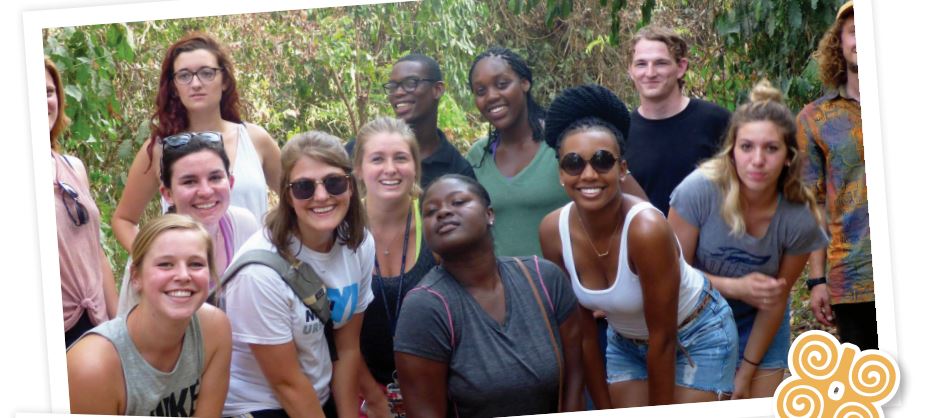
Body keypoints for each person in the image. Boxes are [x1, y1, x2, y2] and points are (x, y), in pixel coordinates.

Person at [540, 84, 737, 407]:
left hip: (696, 331)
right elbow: (584, 333)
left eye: (602, 161)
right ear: (561, 173)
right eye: (573, 163)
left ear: (622, 168)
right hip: (626, 342)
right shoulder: (552, 231)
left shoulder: (646, 229)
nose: (588, 174)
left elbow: (663, 338)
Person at [668, 81, 829, 399]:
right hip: (696, 318)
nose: (757, 160)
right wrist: (733, 287)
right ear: (732, 152)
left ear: (788, 157)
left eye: (771, 148)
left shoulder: (799, 216)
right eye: (747, 147)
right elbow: (669, 273)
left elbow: (776, 299)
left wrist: (747, 369)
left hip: (761, 322)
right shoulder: (697, 191)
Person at [395, 175, 583, 418]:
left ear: (490, 214)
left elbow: (575, 378)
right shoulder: (425, 307)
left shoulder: (544, 278)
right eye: (430, 211)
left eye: (458, 202)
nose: (442, 213)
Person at [220, 131, 373, 418]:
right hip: (260, 404)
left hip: (318, 392)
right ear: (288, 196)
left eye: (334, 183)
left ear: (350, 186)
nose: (321, 196)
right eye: (304, 187)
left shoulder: (359, 243)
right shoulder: (259, 273)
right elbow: (286, 383)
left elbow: (348, 348)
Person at [112, 32, 280, 251]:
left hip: (252, 278)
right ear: (174, 86)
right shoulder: (159, 150)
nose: (196, 83)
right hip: (191, 281)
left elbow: (297, 201)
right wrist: (159, 263)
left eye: (207, 73)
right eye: (184, 76)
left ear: (225, 81)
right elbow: (124, 220)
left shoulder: (255, 139)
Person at [67, 214, 233, 416]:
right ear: (136, 277)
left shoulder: (214, 330)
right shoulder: (93, 366)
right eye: (165, 264)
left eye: (196, 264)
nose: (183, 275)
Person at [797, 1, 876, 350]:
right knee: (871, 389)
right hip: (855, 278)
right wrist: (817, 280)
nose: (865, 38)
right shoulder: (815, 118)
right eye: (855, 30)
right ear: (840, 43)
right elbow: (811, 204)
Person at [116, 130, 260, 315]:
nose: (206, 191)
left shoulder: (244, 226)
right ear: (168, 194)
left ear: (230, 182)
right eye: (190, 182)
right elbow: (128, 332)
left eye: (215, 178)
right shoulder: (154, 249)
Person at [351, 117, 436, 417]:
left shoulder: (436, 222)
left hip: (436, 389)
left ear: (415, 166)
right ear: (359, 169)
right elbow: (335, 334)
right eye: (377, 159)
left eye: (400, 158)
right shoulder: (340, 230)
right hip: (360, 393)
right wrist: (374, 398)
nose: (390, 169)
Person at [464, 47, 572, 257]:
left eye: (502, 84)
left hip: (564, 285)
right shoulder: (478, 156)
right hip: (504, 286)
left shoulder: (563, 142)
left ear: (525, 83)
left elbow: (629, 203)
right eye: (480, 91)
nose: (492, 96)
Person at [622, 26, 731, 214]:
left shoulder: (716, 121)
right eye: (641, 64)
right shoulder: (621, 132)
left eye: (661, 63)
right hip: (645, 241)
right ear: (631, 71)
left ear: (681, 67)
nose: (650, 73)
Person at [48, 57, 118, 347]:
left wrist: (119, 327)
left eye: (48, 92)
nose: (41, 101)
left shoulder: (73, 167)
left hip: (97, 326)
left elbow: (94, 250)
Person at [347, 53, 475, 188]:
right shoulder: (359, 150)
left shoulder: (457, 169)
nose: (398, 92)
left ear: (437, 90)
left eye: (410, 83)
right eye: (392, 86)